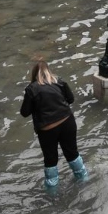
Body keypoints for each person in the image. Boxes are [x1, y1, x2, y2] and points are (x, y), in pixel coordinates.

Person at [20, 61, 88, 193]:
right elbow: (71, 99)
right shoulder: (59, 81)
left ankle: (52, 193)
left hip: (47, 129)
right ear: (48, 71)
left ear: (34, 74)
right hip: (67, 121)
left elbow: (24, 112)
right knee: (72, 154)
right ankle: (84, 181)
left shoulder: (31, 89)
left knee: (50, 160)